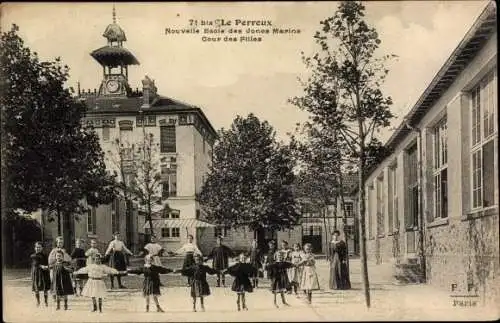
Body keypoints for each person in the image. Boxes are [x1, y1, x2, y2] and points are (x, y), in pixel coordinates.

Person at [48, 237, 72, 301]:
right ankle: (54, 295)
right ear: (56, 243)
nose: (60, 244)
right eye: (59, 242)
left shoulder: (64, 251)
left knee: (61, 281)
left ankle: (61, 295)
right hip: (55, 268)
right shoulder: (53, 251)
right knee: (54, 281)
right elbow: (50, 260)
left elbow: (69, 259)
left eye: (61, 243)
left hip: (62, 268)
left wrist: (66, 262)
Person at [30, 242, 51, 307]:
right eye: (36, 247)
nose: (38, 248)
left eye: (39, 247)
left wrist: (47, 266)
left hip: (44, 273)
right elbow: (35, 264)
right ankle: (38, 301)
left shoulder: (45, 255)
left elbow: (47, 262)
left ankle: (46, 301)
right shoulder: (33, 256)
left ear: (42, 248)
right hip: (36, 273)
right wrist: (41, 266)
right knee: (37, 287)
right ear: (34, 248)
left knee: (45, 287)